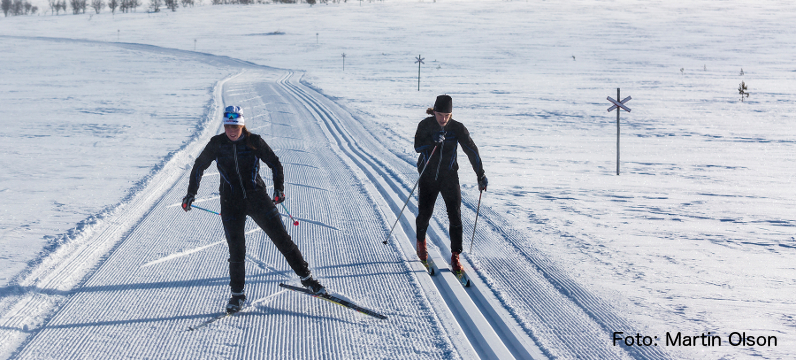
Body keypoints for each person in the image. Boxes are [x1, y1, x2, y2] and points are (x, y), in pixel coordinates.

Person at [181, 105, 325, 314]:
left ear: (242, 125)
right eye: (228, 126)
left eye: (235, 126)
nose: (231, 130)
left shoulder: (254, 141)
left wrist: (279, 189)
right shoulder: (217, 143)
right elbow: (199, 166)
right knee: (236, 250)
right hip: (230, 203)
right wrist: (191, 194)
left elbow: (275, 163)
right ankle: (237, 295)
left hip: (258, 199)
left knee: (282, 240)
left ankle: (307, 279)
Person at [414, 95, 488, 273]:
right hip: (428, 175)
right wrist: (432, 141)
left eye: (447, 115)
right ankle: (421, 242)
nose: (444, 119)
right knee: (425, 213)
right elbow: (417, 146)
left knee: (455, 215)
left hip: (449, 176)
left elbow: (471, 150)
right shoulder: (425, 125)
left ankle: (455, 255)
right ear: (434, 112)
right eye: (440, 115)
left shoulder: (457, 128)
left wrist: (480, 174)